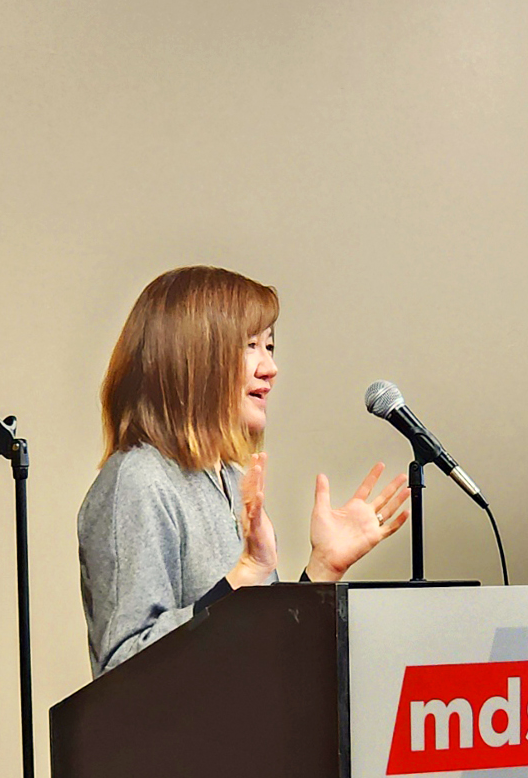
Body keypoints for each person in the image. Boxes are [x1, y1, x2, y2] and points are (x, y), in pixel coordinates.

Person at [78, 265, 410, 677]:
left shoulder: (232, 479)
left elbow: (262, 653)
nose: (270, 367)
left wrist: (322, 569)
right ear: (192, 358)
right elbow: (121, 668)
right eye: (251, 345)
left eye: (269, 346)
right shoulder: (139, 480)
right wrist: (241, 579)